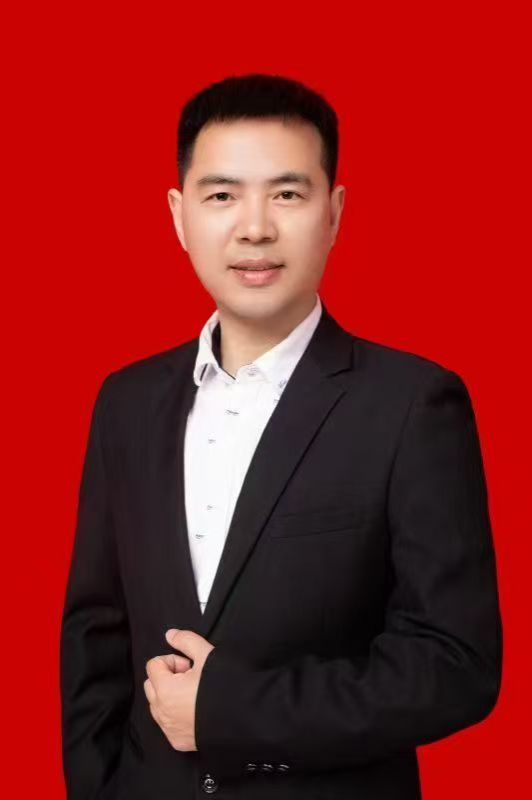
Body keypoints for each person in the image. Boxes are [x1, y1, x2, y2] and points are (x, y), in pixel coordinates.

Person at [60, 73, 502, 799]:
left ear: (334, 212)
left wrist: (231, 711)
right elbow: (95, 635)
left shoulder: (413, 404)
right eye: (222, 196)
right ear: (179, 215)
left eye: (288, 194)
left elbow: (456, 666)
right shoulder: (126, 402)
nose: (255, 227)